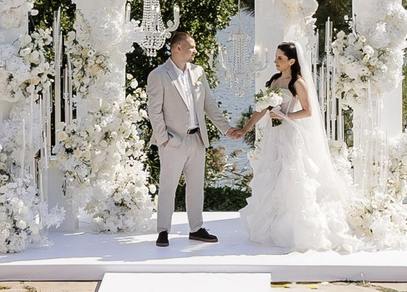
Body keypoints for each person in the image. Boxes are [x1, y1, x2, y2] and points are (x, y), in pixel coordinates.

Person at [238, 41, 361, 254]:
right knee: (272, 174)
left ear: (292, 61)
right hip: (273, 135)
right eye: (276, 57)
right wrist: (245, 128)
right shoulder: (275, 81)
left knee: (292, 175)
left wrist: (285, 116)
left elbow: (308, 111)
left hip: (289, 133)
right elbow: (262, 109)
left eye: (280, 58)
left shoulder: (298, 83)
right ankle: (271, 226)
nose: (275, 61)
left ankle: (294, 229)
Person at [146, 29, 227, 247]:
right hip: (172, 141)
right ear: (178, 48)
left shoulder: (198, 71)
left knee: (196, 187)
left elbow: (210, 105)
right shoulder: (158, 75)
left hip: (197, 138)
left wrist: (227, 129)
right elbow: (154, 111)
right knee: (168, 187)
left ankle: (196, 228)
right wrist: (164, 139)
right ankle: (163, 230)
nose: (195, 51)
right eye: (192, 47)